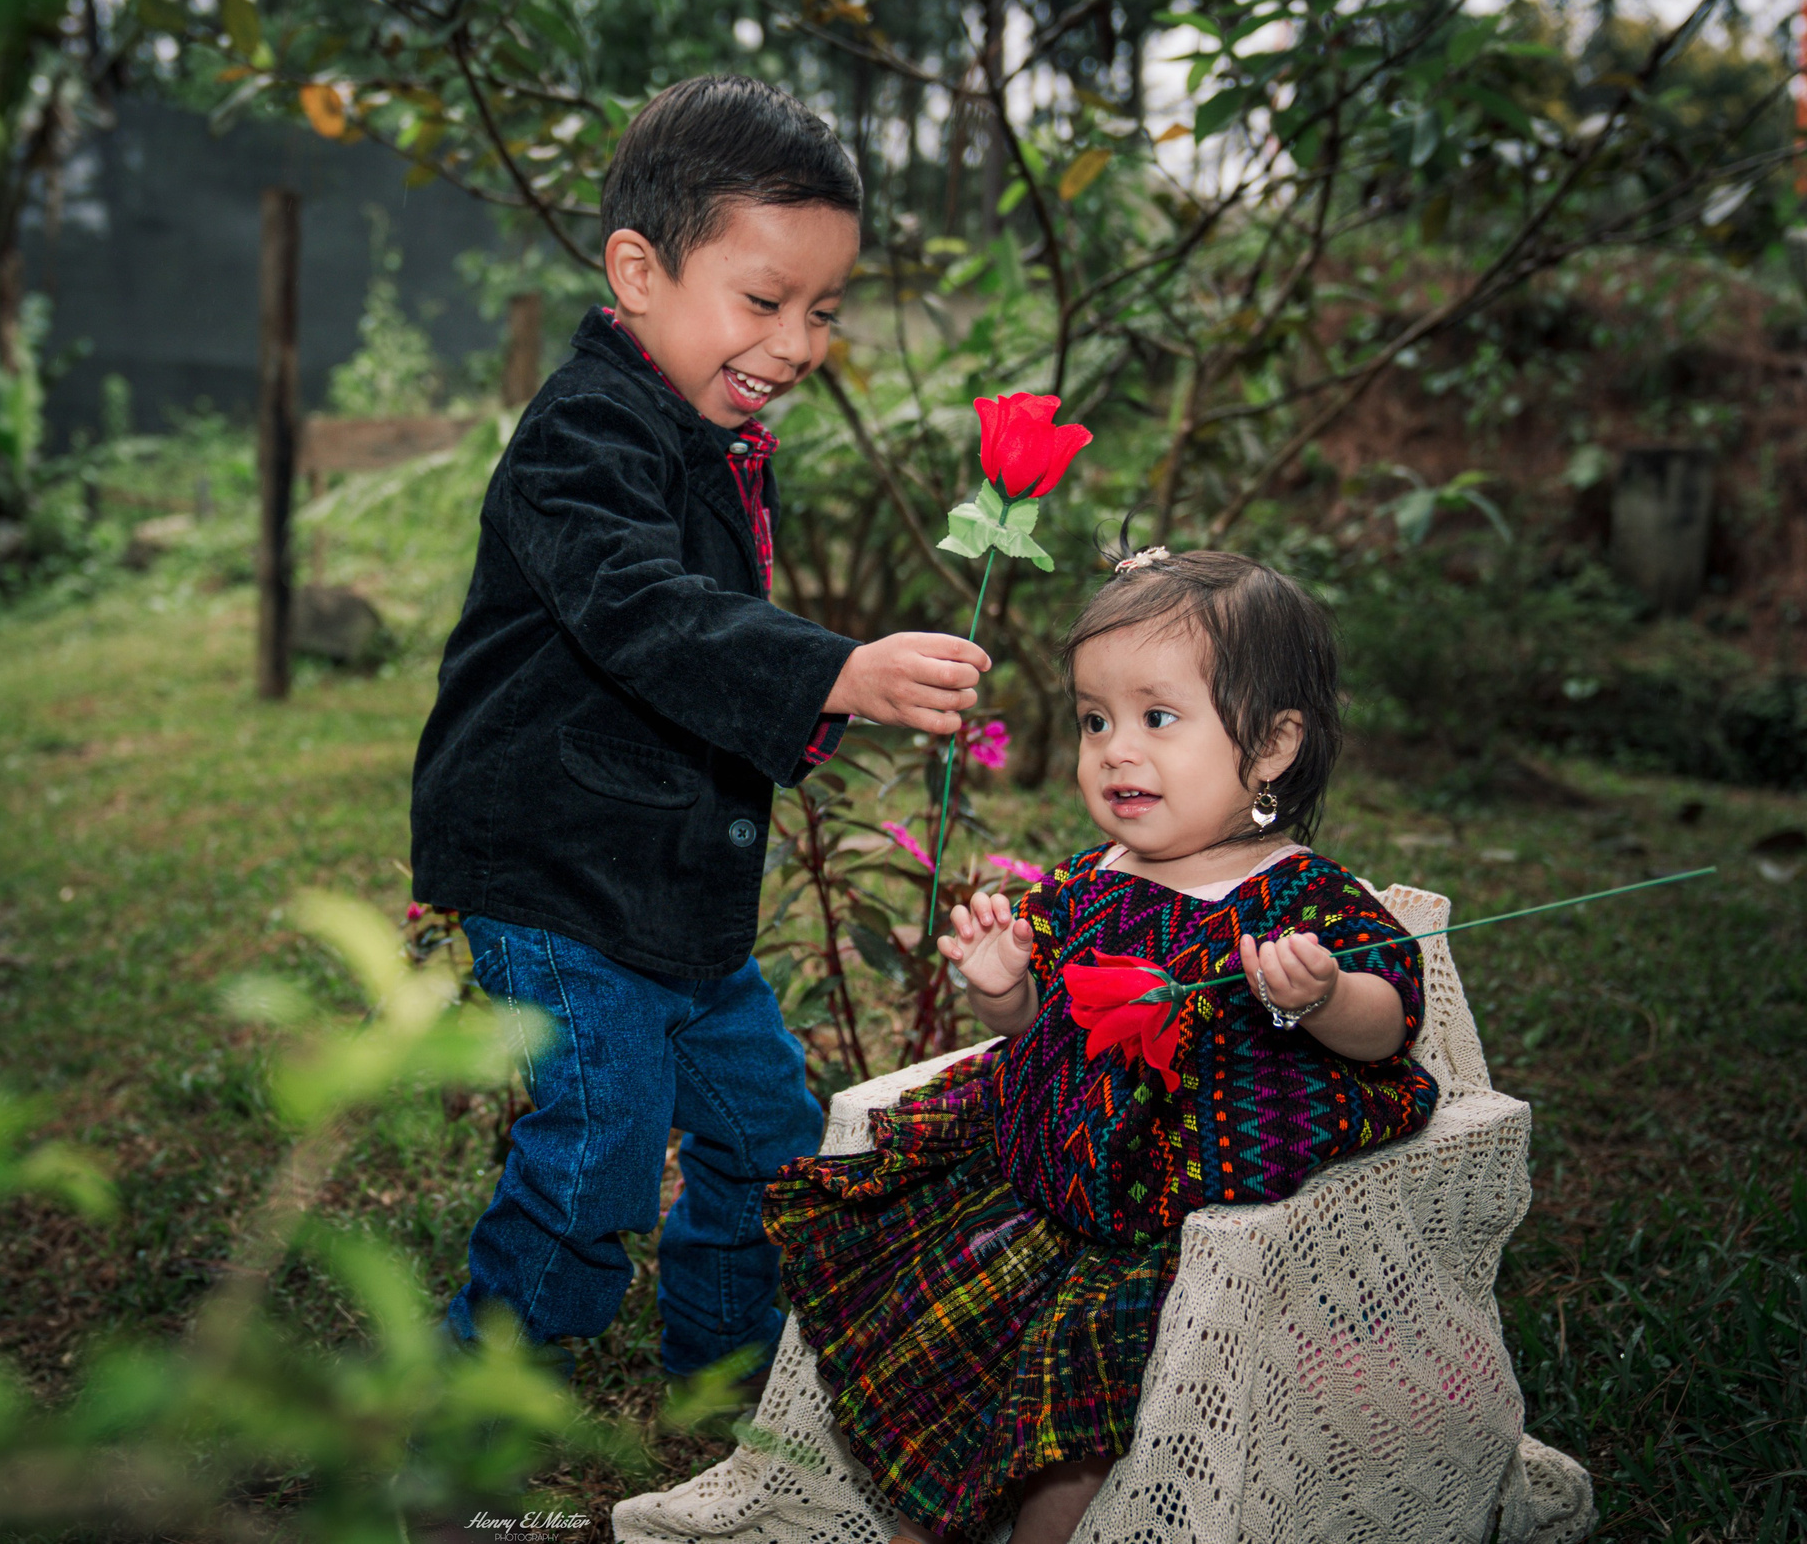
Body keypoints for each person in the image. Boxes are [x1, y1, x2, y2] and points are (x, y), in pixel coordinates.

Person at [409, 75, 992, 1387]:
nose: (797, 341)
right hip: (557, 868)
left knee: (768, 1137)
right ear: (638, 269)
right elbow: (644, 612)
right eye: (765, 299)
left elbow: (707, 649)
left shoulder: (710, 433)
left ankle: (727, 1377)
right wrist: (836, 669)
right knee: (599, 1139)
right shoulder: (585, 434)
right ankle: (476, 1432)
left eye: (826, 309)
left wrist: (811, 686)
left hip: (674, 885)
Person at [762, 548, 1441, 1544]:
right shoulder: (1088, 881)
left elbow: (1392, 1023)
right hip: (1040, 1165)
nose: (1116, 751)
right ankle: (927, 1514)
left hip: (1165, 1205)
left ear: (1270, 747)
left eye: (1157, 719)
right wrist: (1003, 990)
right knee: (946, 1360)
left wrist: (1328, 994)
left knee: (1065, 1405)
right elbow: (1041, 1029)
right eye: (1094, 720)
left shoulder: (1299, 895)